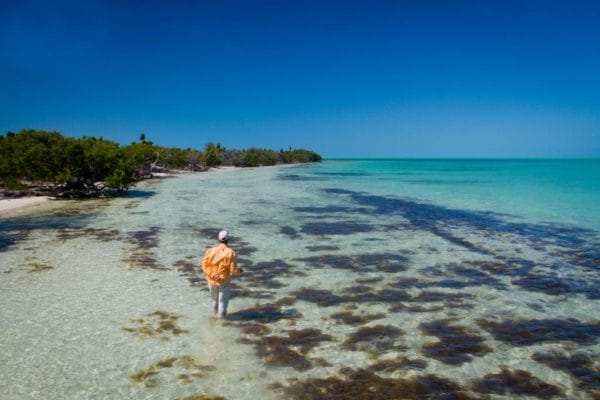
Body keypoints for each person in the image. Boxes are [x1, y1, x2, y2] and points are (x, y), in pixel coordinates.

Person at [201, 230, 243, 318]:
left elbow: (204, 266)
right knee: (222, 303)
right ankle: (221, 323)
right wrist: (240, 270)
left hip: (212, 281)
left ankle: (214, 317)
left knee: (215, 301)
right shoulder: (231, 253)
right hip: (224, 281)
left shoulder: (210, 251)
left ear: (218, 239)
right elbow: (233, 271)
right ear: (228, 239)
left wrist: (212, 274)